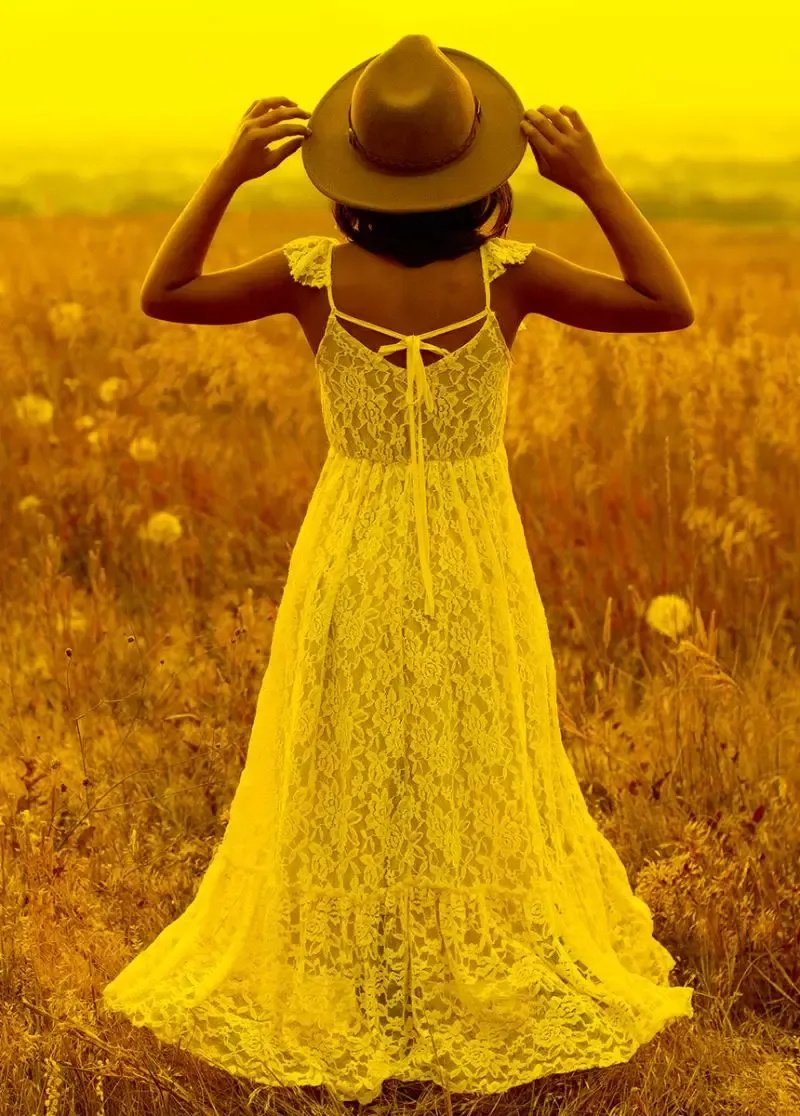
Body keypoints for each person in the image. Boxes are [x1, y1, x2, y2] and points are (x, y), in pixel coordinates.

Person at [102, 33, 694, 1107]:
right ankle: (449, 967)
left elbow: (166, 291)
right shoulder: (509, 277)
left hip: (352, 541)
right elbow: (666, 304)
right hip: (473, 545)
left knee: (342, 755)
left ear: (349, 172)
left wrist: (229, 172)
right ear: (482, 174)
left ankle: (366, 968)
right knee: (471, 752)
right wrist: (594, 179)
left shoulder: (310, 276)